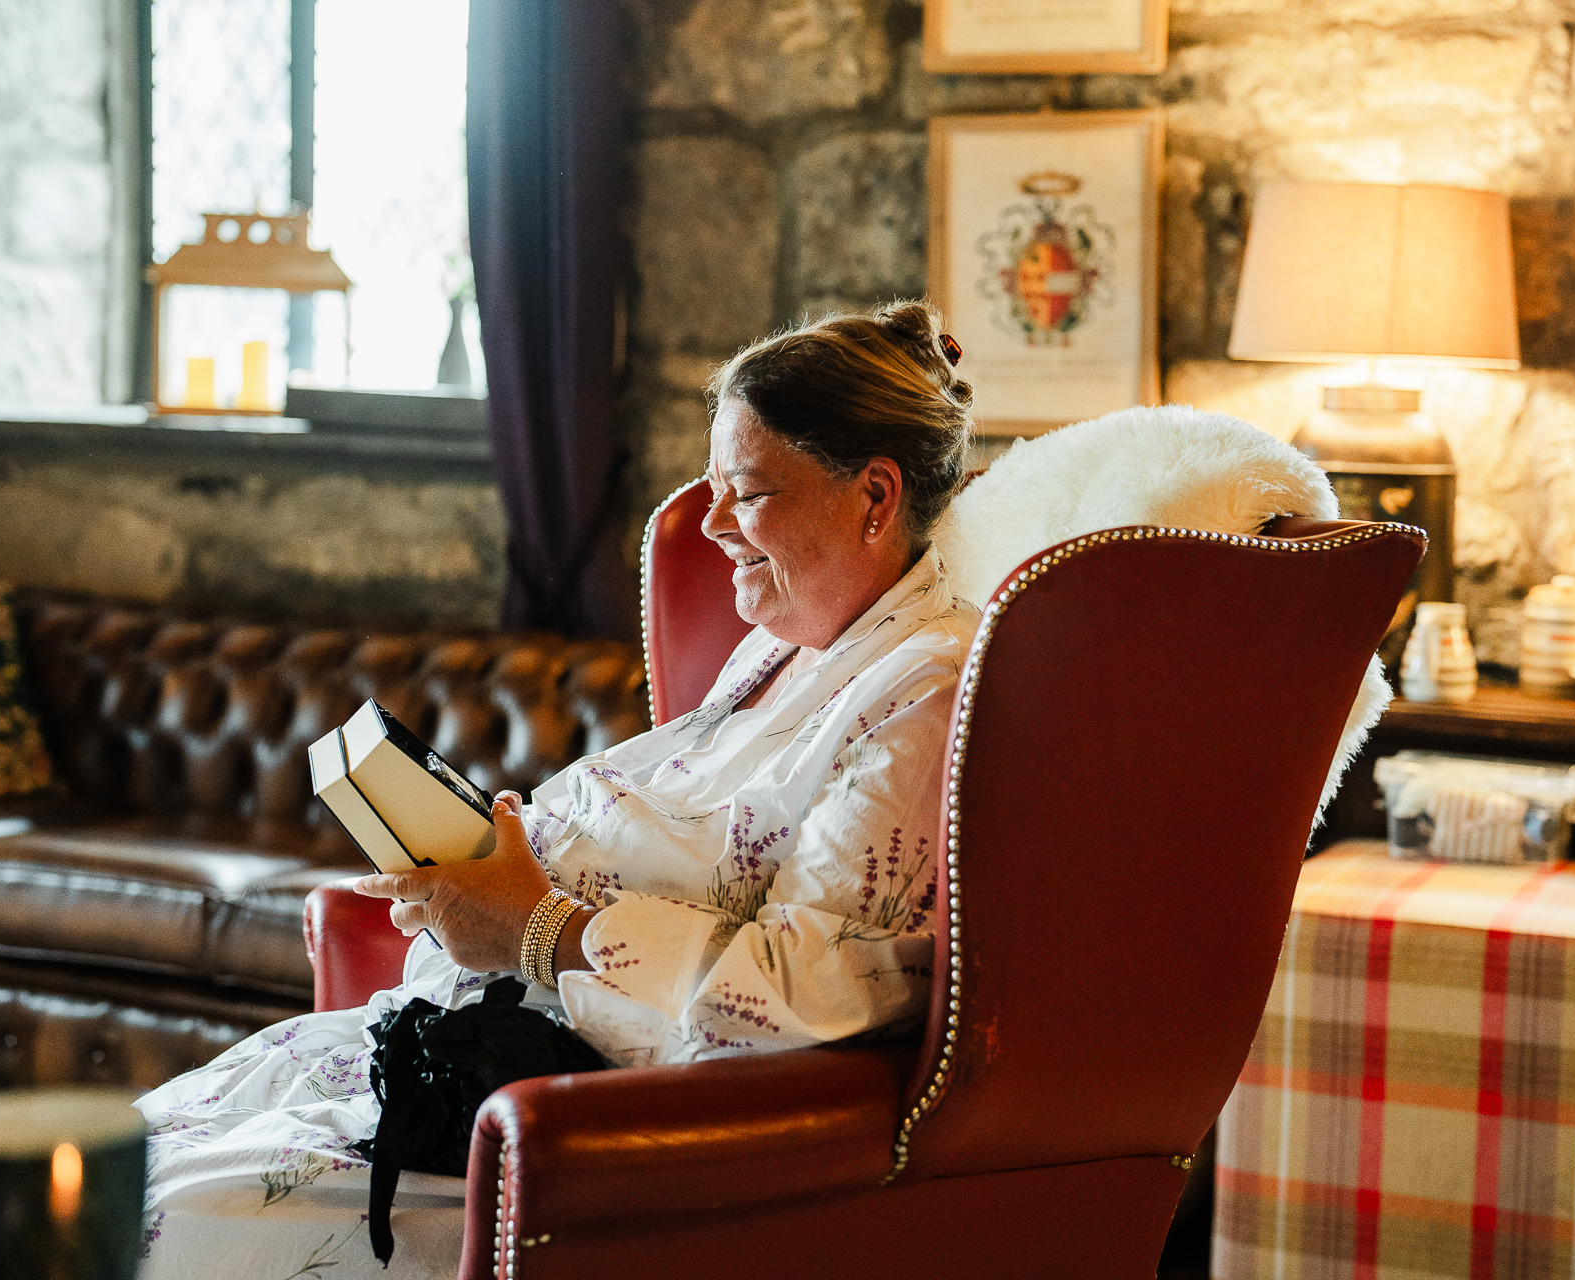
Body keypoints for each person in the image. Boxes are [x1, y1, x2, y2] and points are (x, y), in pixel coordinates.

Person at [133, 301, 980, 1280]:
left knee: (162, 1217)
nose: (708, 526)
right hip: (467, 1054)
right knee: (125, 1149)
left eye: (744, 492)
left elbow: (819, 990)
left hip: (587, 1123)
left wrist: (536, 924)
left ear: (875, 496)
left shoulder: (926, 691)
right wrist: (474, 872)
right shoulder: (786, 646)